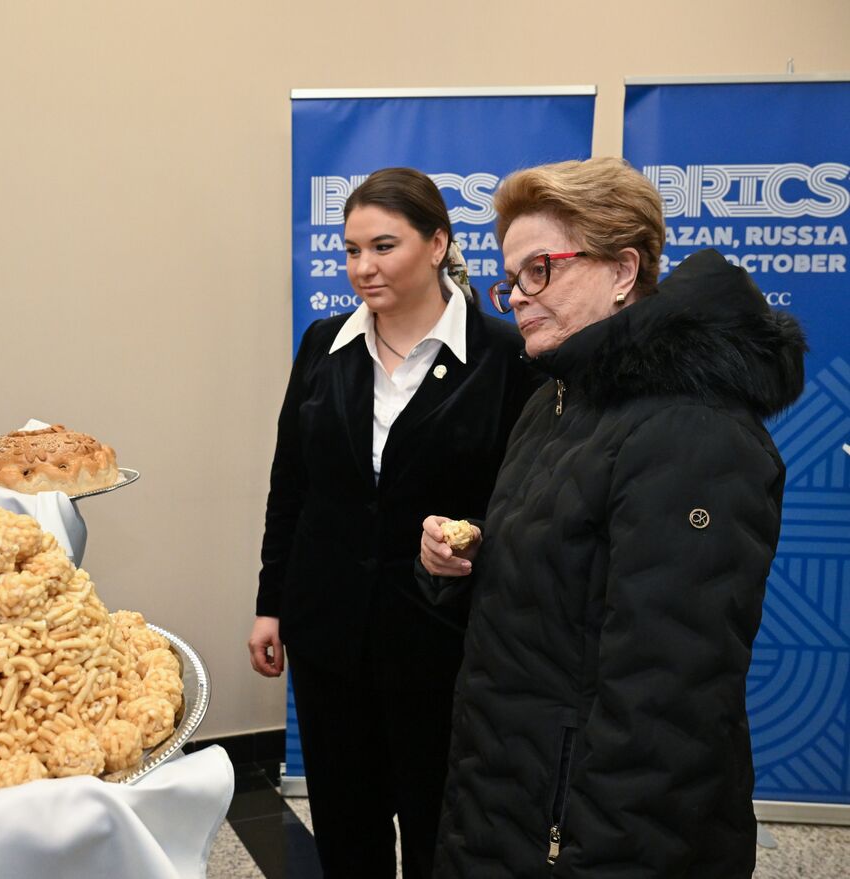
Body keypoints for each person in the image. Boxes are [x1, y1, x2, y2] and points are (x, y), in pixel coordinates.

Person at [418, 157, 805, 878]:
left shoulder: (695, 433)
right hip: (505, 800)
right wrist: (457, 564)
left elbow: (667, 713)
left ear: (624, 270)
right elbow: (556, 595)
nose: (518, 298)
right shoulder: (555, 401)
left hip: (586, 838)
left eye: (541, 270)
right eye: (510, 280)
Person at [249, 168, 539, 878]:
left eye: (383, 245)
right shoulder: (324, 345)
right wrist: (270, 602)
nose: (362, 268)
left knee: (440, 820)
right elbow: (292, 483)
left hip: (442, 639)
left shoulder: (505, 357)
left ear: (438, 243)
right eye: (350, 250)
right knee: (347, 825)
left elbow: (526, 501)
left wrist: (468, 531)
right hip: (329, 635)